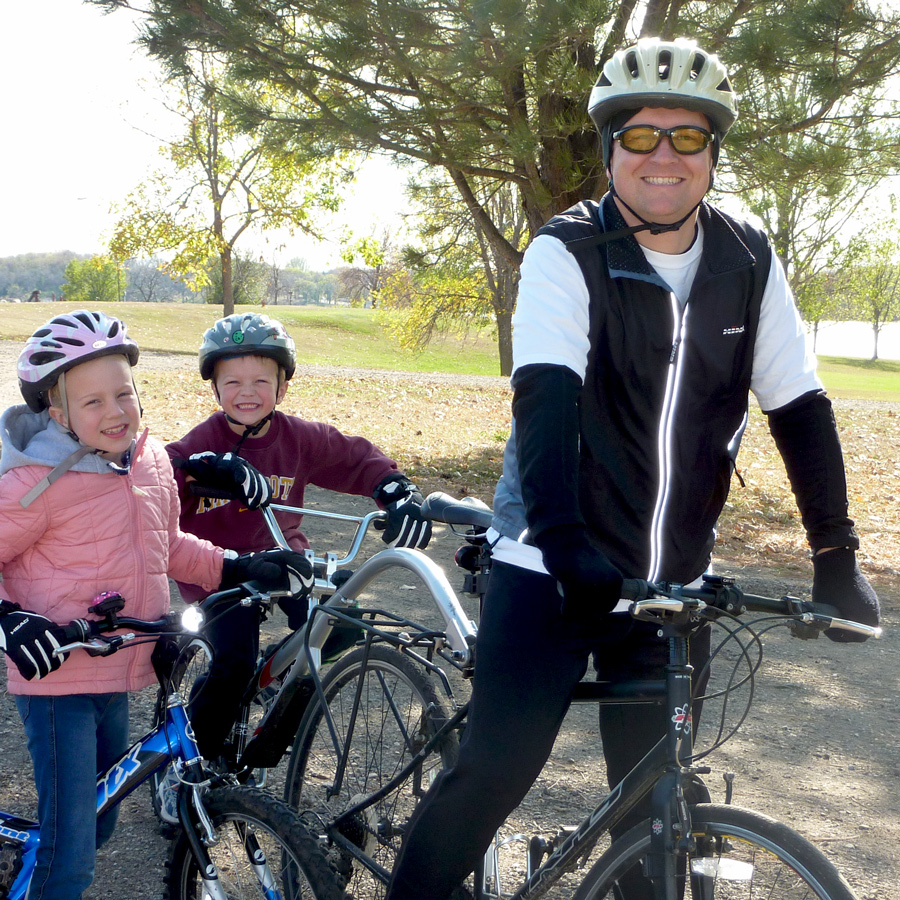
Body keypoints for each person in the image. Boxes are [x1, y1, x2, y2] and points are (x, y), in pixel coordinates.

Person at [385, 37, 881, 900]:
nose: (663, 157)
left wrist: (836, 557)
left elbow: (798, 408)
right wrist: (564, 540)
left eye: (688, 139)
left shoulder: (748, 260)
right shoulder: (566, 250)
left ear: (713, 156)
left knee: (653, 816)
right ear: (611, 149)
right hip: (552, 566)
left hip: (670, 584)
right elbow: (545, 401)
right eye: (640, 136)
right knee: (495, 775)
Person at [0, 310, 312, 900]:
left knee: (101, 820)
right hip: (54, 684)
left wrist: (239, 566)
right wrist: (9, 621)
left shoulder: (147, 466)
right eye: (92, 403)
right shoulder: (30, 484)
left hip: (116, 669)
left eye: (125, 393)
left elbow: (167, 545)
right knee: (70, 863)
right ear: (57, 413)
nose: (116, 412)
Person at [164, 311, 433, 768]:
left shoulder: (299, 438)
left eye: (260, 381)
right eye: (232, 382)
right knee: (232, 666)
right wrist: (197, 468)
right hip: (221, 574)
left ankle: (273, 676)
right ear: (214, 389)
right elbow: (158, 480)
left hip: (286, 562)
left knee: (341, 619)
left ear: (283, 386)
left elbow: (354, 457)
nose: (246, 393)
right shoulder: (200, 442)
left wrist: (395, 488)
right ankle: (185, 767)